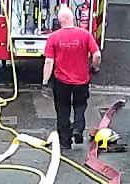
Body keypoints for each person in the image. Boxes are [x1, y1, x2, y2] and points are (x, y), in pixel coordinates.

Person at [42, 5, 101, 150]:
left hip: (61, 82)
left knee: (63, 110)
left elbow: (49, 61)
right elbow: (97, 54)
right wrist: (94, 67)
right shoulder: (85, 34)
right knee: (80, 106)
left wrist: (45, 82)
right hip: (82, 80)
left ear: (59, 20)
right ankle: (78, 129)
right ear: (73, 18)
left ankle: (65, 142)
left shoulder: (54, 37)